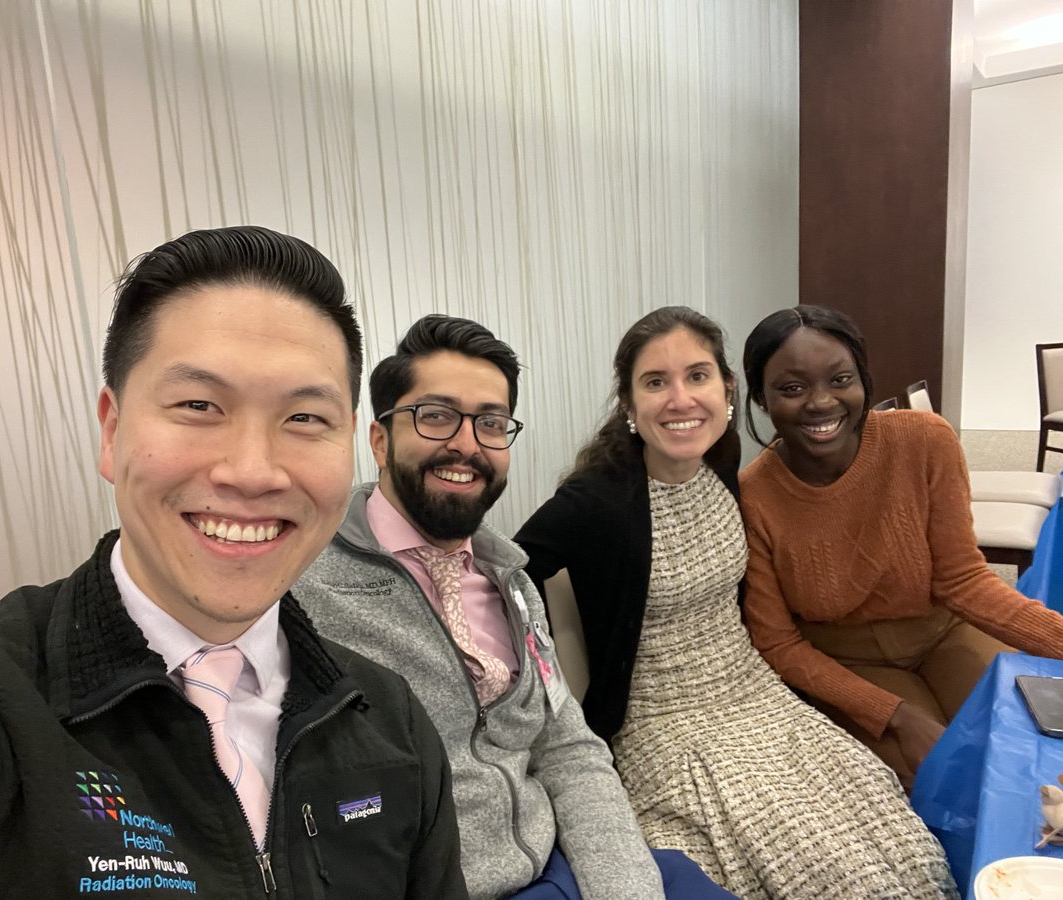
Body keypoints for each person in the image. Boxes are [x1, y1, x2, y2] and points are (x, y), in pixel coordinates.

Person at [0, 226, 467, 899]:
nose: (251, 471)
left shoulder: (390, 723)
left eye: (303, 418)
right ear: (113, 431)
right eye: (199, 405)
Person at [515, 307, 958, 899]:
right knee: (818, 871)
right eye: (655, 382)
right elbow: (505, 573)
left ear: (727, 391)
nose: (680, 399)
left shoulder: (721, 465)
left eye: (697, 376)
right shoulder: (595, 502)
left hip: (756, 690)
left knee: (897, 839)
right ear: (629, 403)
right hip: (666, 723)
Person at [294, 315, 735, 900]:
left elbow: (568, 749)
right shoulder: (306, 589)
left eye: (491, 423)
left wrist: (624, 888)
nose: (466, 444)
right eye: (436, 416)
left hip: (560, 863)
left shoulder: (511, 578)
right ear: (380, 439)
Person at [738, 304, 1063, 788]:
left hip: (943, 632)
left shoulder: (924, 441)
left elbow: (965, 580)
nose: (821, 402)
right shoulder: (753, 495)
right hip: (847, 659)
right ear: (762, 400)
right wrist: (895, 715)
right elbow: (777, 643)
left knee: (1026, 748)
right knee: (936, 774)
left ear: (864, 381)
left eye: (840, 379)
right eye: (792, 388)